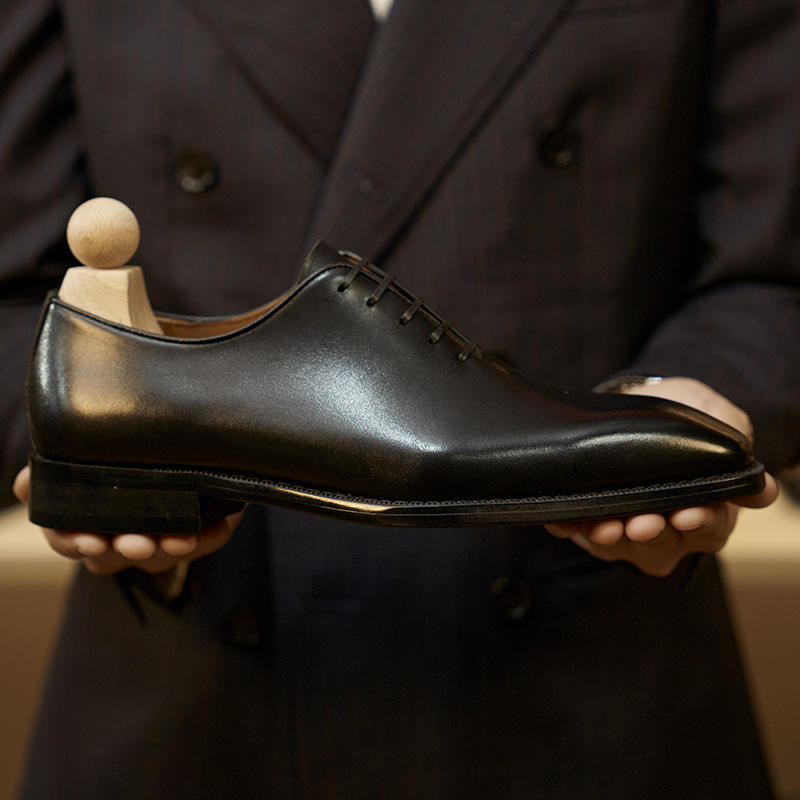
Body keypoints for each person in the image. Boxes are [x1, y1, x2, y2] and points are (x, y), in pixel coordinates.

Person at [2, 0, 798, 797]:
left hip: (590, 686)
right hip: (197, 710)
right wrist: (92, 447)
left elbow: (777, 267)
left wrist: (690, 387)